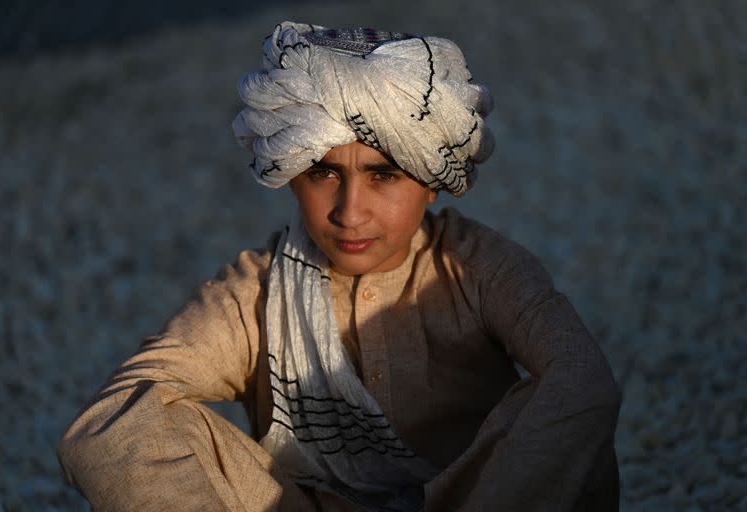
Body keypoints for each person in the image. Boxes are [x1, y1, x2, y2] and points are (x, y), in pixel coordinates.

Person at [58, 22, 621, 511]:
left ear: (430, 184)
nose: (350, 213)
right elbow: (113, 420)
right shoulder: (258, 290)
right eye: (323, 174)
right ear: (293, 174)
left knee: (556, 405)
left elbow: (582, 378)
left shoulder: (477, 269)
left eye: (383, 175)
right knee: (151, 419)